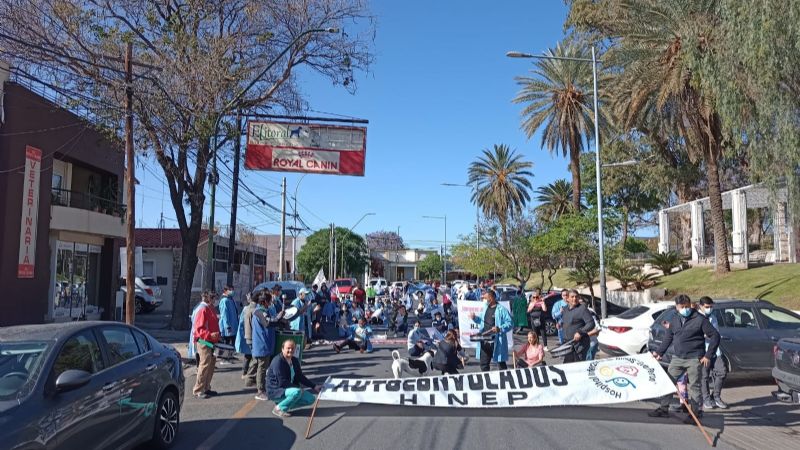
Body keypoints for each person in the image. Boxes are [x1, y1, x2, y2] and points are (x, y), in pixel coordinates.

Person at [649, 294, 721, 423]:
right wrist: (659, 352)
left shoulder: (700, 319)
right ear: (677, 307)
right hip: (678, 358)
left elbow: (715, 336)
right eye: (682, 307)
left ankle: (694, 414)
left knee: (695, 386)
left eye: (687, 306)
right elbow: (668, 337)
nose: (685, 309)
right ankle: (663, 408)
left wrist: (708, 355)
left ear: (690, 305)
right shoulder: (675, 319)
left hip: (694, 358)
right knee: (669, 382)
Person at [267, 340, 321, 418]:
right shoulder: (278, 361)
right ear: (282, 349)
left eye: (292, 348)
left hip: (288, 389)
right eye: (288, 348)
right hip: (276, 391)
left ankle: (283, 404)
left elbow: (300, 376)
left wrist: (314, 386)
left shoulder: (294, 360)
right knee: (297, 392)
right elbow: (282, 382)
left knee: (311, 399)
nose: (290, 350)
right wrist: (298, 388)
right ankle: (278, 409)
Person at [469, 289, 513, 371]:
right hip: (485, 340)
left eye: (486, 298)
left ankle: (504, 380)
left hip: (496, 341)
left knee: (501, 364)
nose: (485, 300)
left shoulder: (501, 310)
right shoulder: (485, 307)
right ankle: (486, 381)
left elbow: (510, 323)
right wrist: (474, 318)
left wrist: (499, 328)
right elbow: (481, 321)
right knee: (484, 364)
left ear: (491, 298)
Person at [697, 296, 728, 410]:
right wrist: (707, 334)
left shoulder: (713, 318)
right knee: (704, 376)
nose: (709, 309)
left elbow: (716, 334)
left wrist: (711, 335)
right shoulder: (696, 318)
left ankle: (716, 396)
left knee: (722, 371)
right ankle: (706, 399)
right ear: (701, 306)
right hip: (703, 351)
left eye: (711, 307)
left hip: (715, 350)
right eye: (707, 307)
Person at [192, 291, 221, 399]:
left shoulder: (210, 308)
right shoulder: (203, 309)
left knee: (211, 364)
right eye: (214, 298)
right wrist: (210, 335)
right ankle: (198, 389)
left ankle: (206, 387)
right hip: (204, 341)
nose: (215, 300)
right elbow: (199, 329)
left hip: (211, 340)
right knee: (204, 364)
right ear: (209, 299)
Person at [252, 293, 281, 401]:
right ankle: (260, 391)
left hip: (266, 343)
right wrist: (278, 317)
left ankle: (265, 387)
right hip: (261, 343)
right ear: (264, 302)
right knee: (262, 368)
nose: (270, 303)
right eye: (269, 301)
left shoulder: (264, 311)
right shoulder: (259, 311)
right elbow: (267, 323)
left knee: (265, 367)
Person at [560, 289, 596, 363]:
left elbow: (591, 323)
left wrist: (580, 332)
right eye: (572, 297)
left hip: (579, 345)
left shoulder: (582, 309)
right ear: (568, 299)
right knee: (567, 367)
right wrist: (560, 324)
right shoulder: (565, 309)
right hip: (568, 344)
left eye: (576, 297)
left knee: (578, 368)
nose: (574, 299)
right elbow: (567, 322)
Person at [236, 292, 256, 385]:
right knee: (248, 356)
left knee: (249, 356)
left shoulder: (248, 308)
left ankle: (247, 372)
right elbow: (242, 323)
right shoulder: (247, 309)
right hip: (248, 334)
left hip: (248, 334)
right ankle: (245, 373)